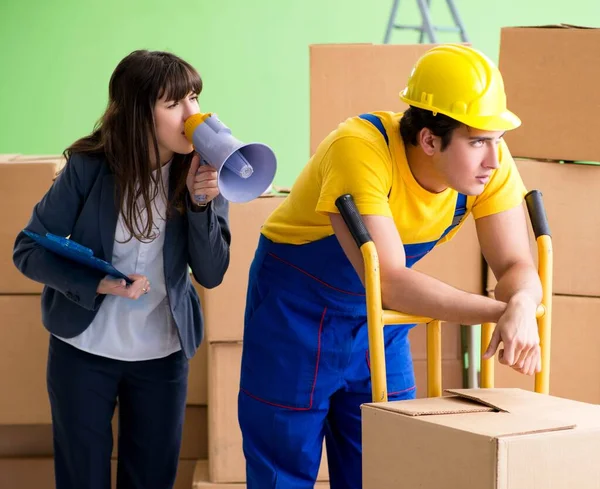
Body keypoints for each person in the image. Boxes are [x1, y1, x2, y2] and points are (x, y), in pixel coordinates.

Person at [237, 44, 541, 488]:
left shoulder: (488, 167)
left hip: (380, 324)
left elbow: (516, 263)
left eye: (497, 140)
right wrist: (503, 312)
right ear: (430, 139)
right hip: (297, 314)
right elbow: (391, 282)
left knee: (385, 460)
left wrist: (522, 300)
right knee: (284, 466)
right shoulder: (360, 150)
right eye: (478, 141)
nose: (494, 160)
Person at [13, 50, 231, 489]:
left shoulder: (205, 171)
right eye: (174, 104)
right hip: (82, 350)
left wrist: (200, 203)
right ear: (137, 113)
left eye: (194, 97)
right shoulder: (88, 167)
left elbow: (210, 274)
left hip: (162, 356)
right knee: (82, 477)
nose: (194, 114)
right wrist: (99, 283)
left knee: (151, 477)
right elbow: (27, 250)